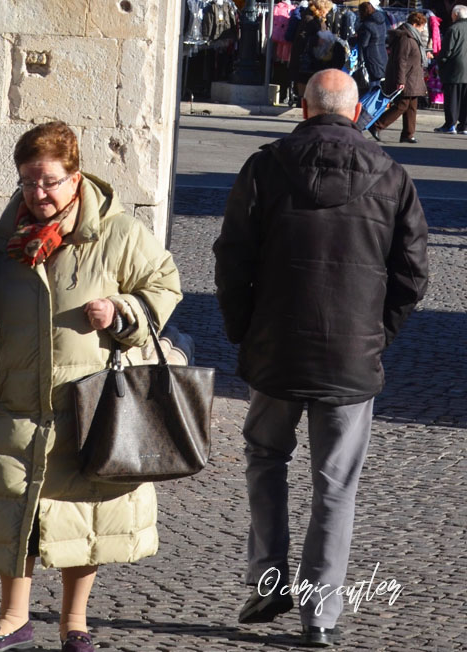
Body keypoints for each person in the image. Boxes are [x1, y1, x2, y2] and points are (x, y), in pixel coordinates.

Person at [213, 69, 428, 648]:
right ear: (356, 112)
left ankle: (268, 580)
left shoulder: (265, 166)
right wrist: (376, 335)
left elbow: (232, 259)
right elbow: (412, 276)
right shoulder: (392, 174)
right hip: (351, 358)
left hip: (276, 349)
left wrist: (243, 331)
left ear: (303, 109)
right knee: (336, 485)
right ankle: (320, 615)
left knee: (265, 459)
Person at [0, 121, 182, 652]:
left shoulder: (116, 232)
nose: (38, 194)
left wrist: (123, 310)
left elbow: (164, 283)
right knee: (17, 510)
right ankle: (13, 619)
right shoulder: (1, 240)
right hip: (19, 400)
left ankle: (74, 623)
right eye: (28, 182)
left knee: (86, 514)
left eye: (50, 182)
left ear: (75, 177)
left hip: (89, 402)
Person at [369, 12, 429, 143]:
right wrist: (400, 81)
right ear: (415, 24)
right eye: (421, 26)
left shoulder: (412, 36)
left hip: (412, 77)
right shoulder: (406, 38)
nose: (423, 29)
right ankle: (377, 125)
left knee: (411, 106)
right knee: (402, 105)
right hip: (406, 78)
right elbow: (400, 60)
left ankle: (408, 134)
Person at [289, 0, 336, 101]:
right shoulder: (309, 19)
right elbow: (302, 38)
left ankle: (305, 100)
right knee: (303, 78)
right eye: (327, 10)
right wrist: (317, 40)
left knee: (306, 78)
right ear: (321, 9)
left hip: (311, 55)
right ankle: (302, 101)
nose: (328, 12)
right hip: (305, 56)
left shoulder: (316, 19)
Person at [434, 4, 467, 133]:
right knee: (465, 99)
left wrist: (440, 63)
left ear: (455, 15)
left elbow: (447, 51)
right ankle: (464, 126)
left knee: (452, 98)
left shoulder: (453, 29)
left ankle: (450, 124)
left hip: (454, 69)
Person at [357, 2, 388, 86]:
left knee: (374, 83)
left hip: (371, 55)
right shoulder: (382, 21)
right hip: (382, 53)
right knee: (382, 81)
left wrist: (356, 38)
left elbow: (364, 43)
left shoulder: (367, 25)